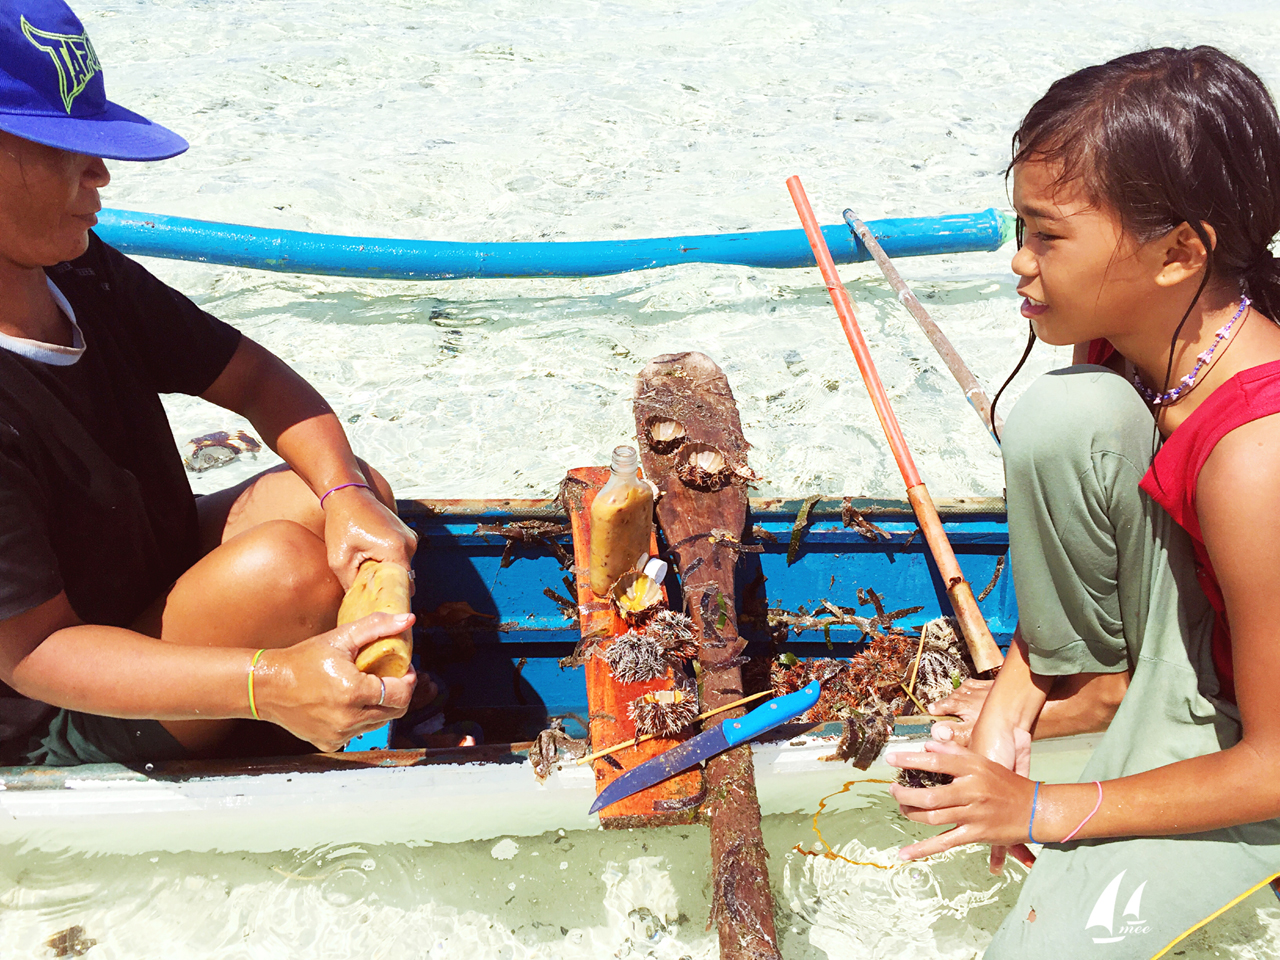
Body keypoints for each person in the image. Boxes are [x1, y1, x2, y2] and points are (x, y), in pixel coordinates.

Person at [886, 47, 1280, 956]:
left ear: (1180, 251)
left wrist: (1044, 806)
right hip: (1195, 648)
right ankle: (1101, 687)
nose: (1016, 263)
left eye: (1045, 236)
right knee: (1068, 416)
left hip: (1259, 739)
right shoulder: (1124, 340)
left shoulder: (1257, 455)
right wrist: (1013, 700)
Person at [0, 0, 422, 766]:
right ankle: (294, 699)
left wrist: (345, 496)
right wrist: (269, 682)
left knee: (350, 492)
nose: (100, 173)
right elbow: (33, 652)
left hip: (144, 571)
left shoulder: (75, 270)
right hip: (53, 706)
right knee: (289, 574)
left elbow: (256, 379)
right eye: (64, 146)